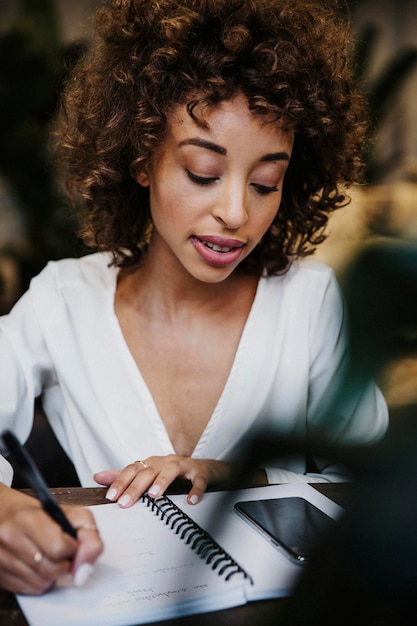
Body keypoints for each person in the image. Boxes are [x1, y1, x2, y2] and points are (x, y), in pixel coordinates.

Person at [0, 0, 388, 595]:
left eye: (265, 183)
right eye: (204, 172)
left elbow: (376, 483)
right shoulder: (62, 301)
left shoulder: (309, 304)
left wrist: (237, 476)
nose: (236, 212)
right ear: (140, 157)